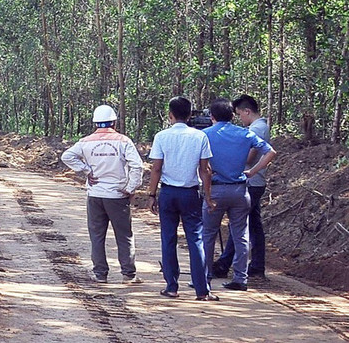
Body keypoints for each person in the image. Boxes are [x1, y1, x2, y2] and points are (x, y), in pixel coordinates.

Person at [61, 104, 145, 283]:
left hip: (95, 195)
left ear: (95, 123)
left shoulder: (85, 142)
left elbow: (67, 156)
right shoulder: (123, 141)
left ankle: (100, 274)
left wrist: (86, 170)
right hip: (117, 196)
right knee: (124, 235)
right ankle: (128, 274)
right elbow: (137, 165)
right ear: (114, 122)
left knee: (97, 235)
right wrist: (131, 188)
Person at [200, 97, 275, 292]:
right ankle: (240, 278)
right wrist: (253, 171)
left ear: (212, 116)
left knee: (208, 234)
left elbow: (202, 167)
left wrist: (206, 191)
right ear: (232, 115)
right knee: (241, 234)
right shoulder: (244, 134)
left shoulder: (205, 135)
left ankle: (205, 277)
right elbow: (270, 152)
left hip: (216, 189)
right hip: (240, 191)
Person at [146, 96, 216, 301]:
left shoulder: (161, 137)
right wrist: (209, 197)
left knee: (168, 238)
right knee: (195, 239)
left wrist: (151, 195)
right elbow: (205, 171)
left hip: (168, 193)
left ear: (170, 115)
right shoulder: (200, 137)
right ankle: (202, 290)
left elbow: (156, 168)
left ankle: (171, 286)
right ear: (189, 115)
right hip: (190, 193)